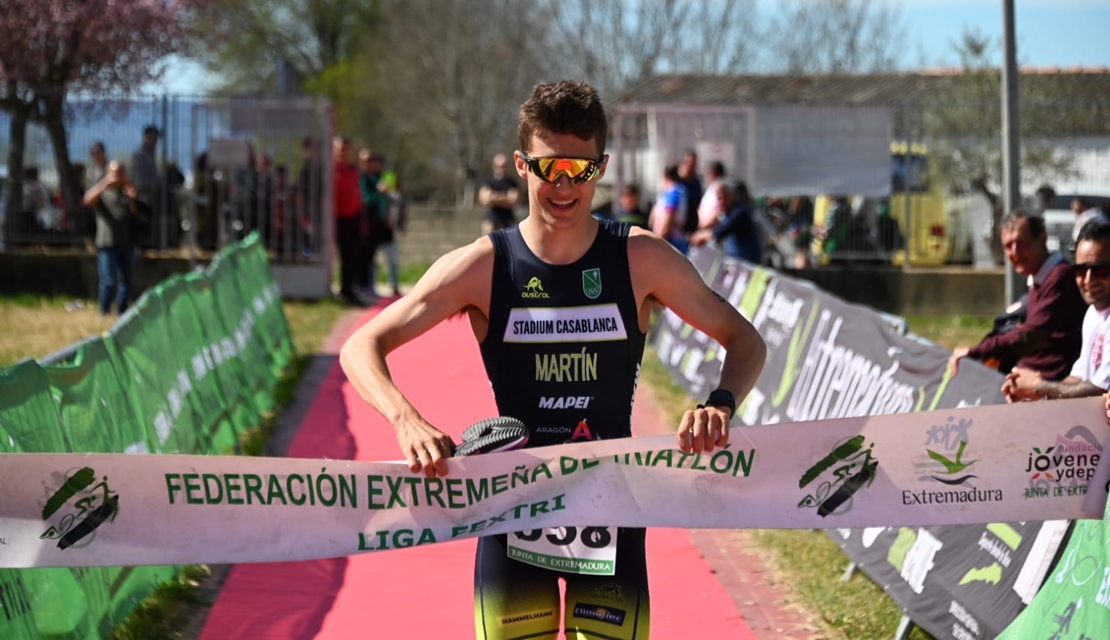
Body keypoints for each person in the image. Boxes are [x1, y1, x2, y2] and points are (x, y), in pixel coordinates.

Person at [339, 79, 767, 640]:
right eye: (548, 169)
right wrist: (404, 417)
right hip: (512, 510)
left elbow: (746, 340)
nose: (563, 186)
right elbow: (359, 346)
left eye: (580, 171)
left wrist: (720, 404)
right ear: (522, 165)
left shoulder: (640, 257)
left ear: (602, 168)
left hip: (610, 511)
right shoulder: (483, 266)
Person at [949, 210, 1086, 380]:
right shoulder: (1038, 278)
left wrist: (975, 351)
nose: (1015, 252)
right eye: (1008, 246)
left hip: (1050, 385)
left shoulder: (1059, 277)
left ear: (1042, 239)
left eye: (1022, 243)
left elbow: (1029, 336)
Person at [1004, 221, 1110, 401]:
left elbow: (1100, 390)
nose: (1088, 280)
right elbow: (1078, 379)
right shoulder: (1093, 313)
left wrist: (1038, 386)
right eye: (1080, 270)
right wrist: (1035, 394)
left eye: (1100, 270)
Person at [83, 161, 145, 316]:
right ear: (108, 173)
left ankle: (122, 312)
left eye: (121, 172)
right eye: (115, 172)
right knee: (109, 281)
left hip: (126, 244)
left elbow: (136, 213)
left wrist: (132, 198)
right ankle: (104, 312)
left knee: (127, 282)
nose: (118, 176)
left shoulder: (128, 192)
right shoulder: (102, 192)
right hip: (106, 244)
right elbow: (87, 200)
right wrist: (105, 183)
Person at [691, 181, 762, 263]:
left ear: (732, 195)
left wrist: (703, 236)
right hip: (736, 260)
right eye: (719, 198)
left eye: (724, 197)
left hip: (748, 261)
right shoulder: (727, 213)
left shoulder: (739, 212)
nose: (722, 201)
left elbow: (721, 231)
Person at [334, 137, 368, 307]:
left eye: (346, 150)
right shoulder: (330, 170)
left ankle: (349, 289)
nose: (343, 153)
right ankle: (342, 289)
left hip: (352, 217)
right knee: (341, 254)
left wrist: (361, 218)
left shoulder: (353, 170)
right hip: (335, 218)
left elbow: (358, 194)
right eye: (340, 150)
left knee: (352, 255)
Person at [649, 164, 689, 254]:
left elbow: (668, 218)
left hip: (671, 242)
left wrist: (659, 241)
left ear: (665, 177)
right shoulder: (671, 192)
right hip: (669, 240)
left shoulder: (673, 194)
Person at [479, 153, 521, 234]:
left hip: (508, 219)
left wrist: (494, 196)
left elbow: (513, 200)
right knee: (487, 231)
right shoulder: (488, 182)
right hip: (491, 219)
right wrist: (505, 197)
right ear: (494, 167)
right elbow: (485, 200)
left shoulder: (512, 183)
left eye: (504, 166)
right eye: (499, 166)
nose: (501, 169)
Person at [678, 149, 702, 237]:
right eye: (691, 164)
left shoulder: (696, 182)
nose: (693, 167)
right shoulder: (678, 183)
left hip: (692, 227)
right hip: (679, 228)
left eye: (695, 164)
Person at [696, 161, 727, 231]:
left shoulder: (722, 189)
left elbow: (720, 211)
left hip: (714, 231)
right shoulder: (711, 188)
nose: (706, 176)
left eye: (708, 173)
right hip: (705, 229)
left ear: (713, 173)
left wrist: (707, 224)